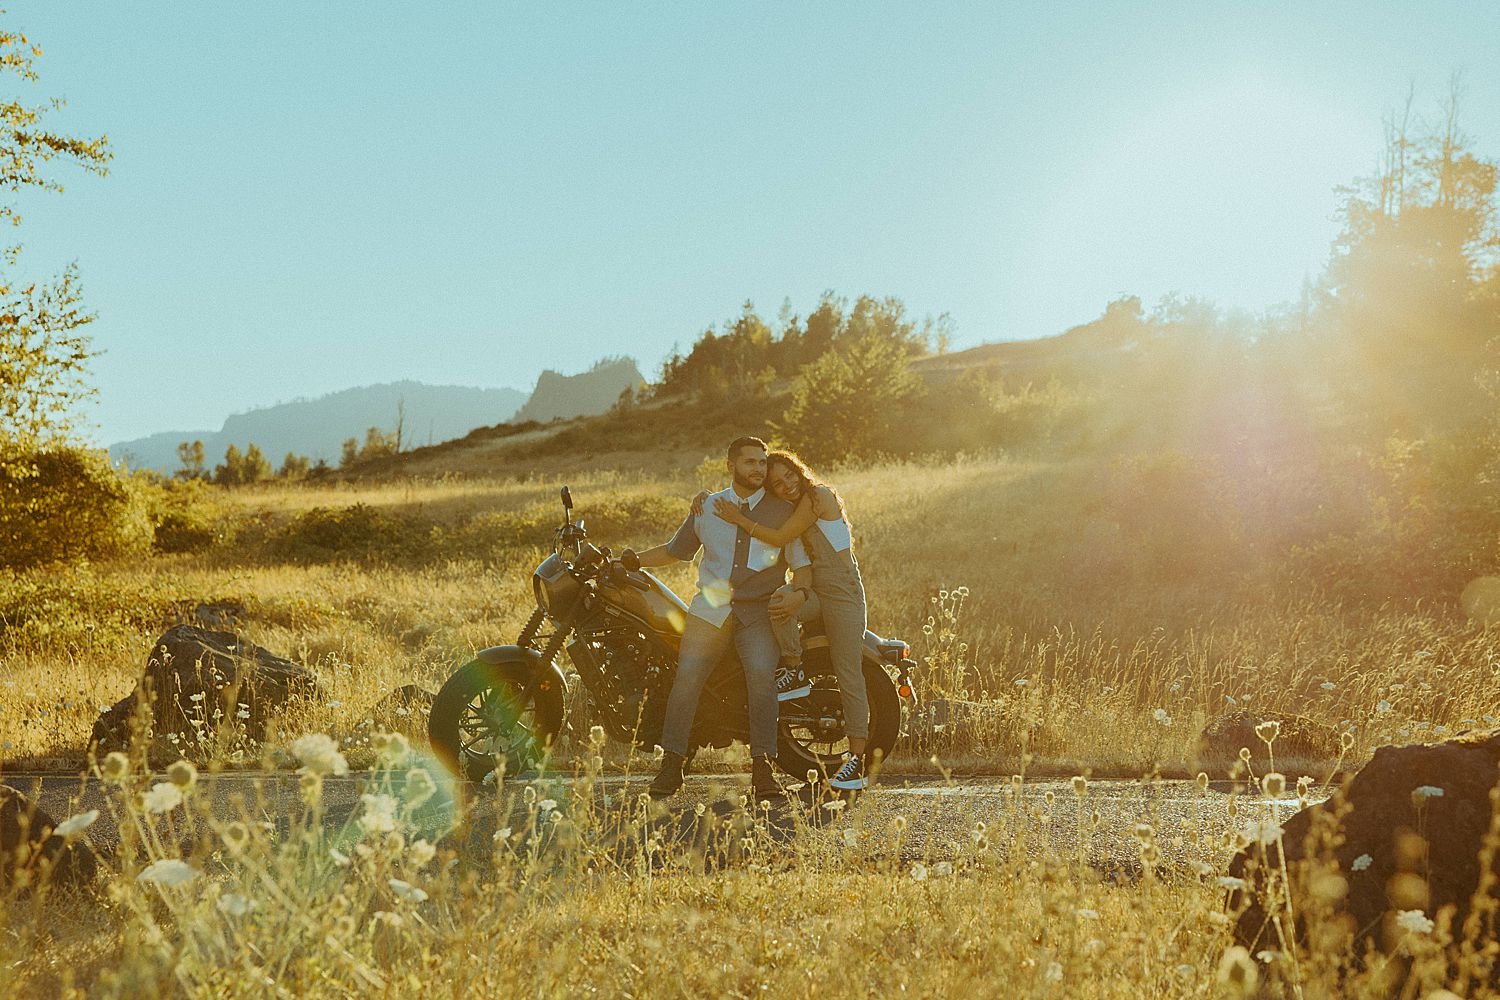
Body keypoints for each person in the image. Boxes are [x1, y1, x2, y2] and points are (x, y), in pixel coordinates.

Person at [625, 436, 810, 800]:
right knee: (686, 679)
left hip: (758, 613)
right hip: (710, 610)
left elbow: (801, 565)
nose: (757, 469)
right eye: (749, 462)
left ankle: (763, 769)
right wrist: (630, 560)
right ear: (731, 465)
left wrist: (798, 593)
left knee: (761, 679)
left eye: (761, 462)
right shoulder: (707, 507)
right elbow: (675, 551)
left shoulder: (782, 511)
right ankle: (672, 765)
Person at [702, 450, 871, 790]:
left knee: (848, 671)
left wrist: (738, 518)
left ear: (800, 470)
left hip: (842, 593)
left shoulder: (818, 496)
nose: (787, 485)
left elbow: (778, 538)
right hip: (816, 592)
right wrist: (705, 499)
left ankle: (856, 762)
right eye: (778, 484)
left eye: (790, 475)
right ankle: (793, 669)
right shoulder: (791, 509)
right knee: (778, 600)